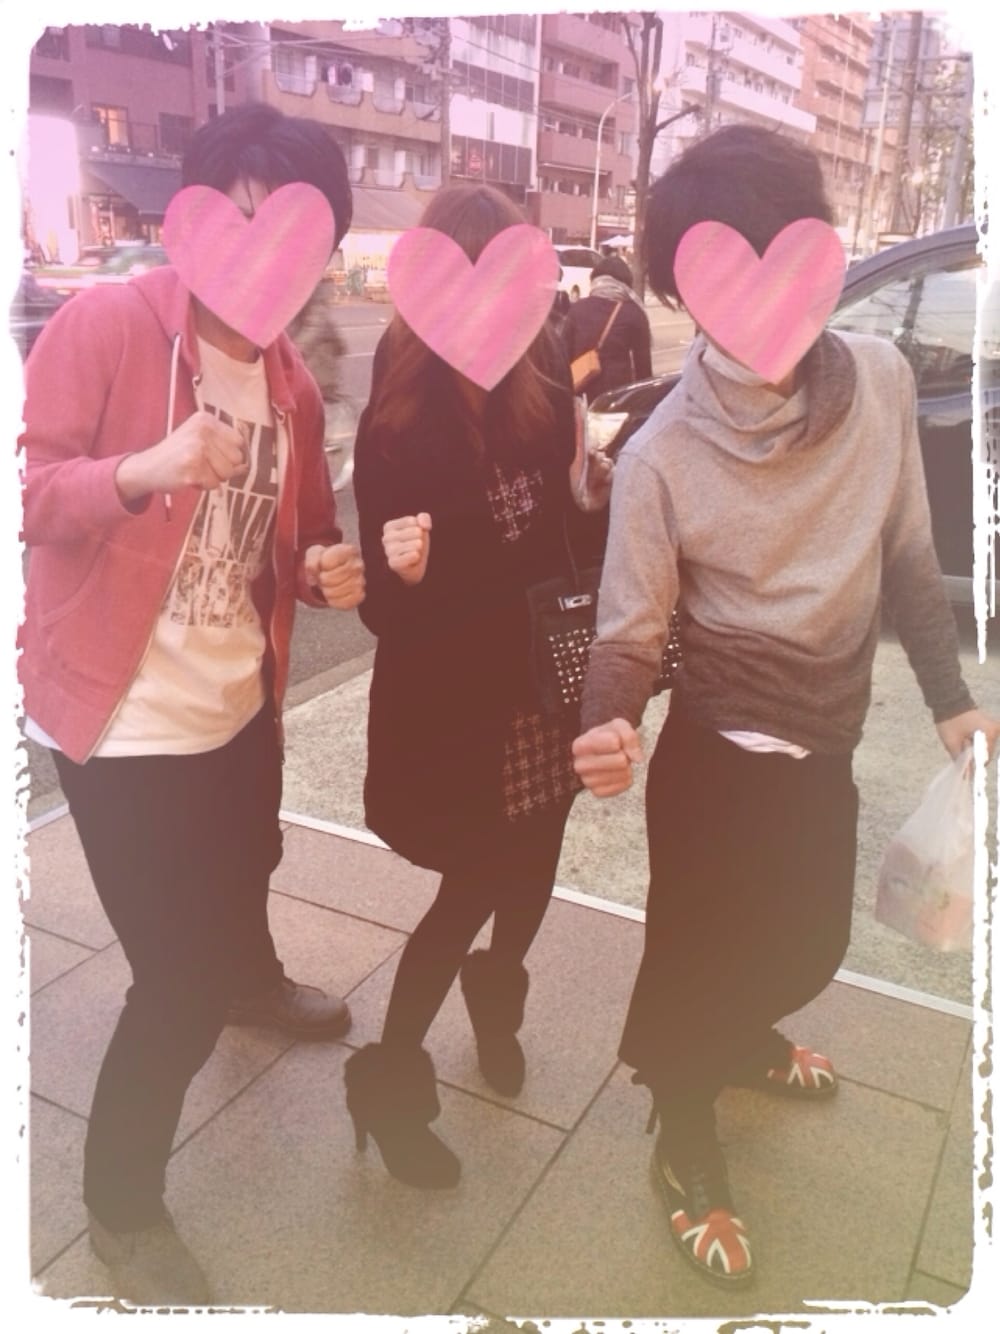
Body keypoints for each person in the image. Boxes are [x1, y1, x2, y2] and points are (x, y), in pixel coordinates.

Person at [571, 124, 998, 1287]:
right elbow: (628, 629)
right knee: (698, 955)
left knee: (808, 942)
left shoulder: (882, 380)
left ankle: (727, 1040)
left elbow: (906, 555)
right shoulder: (661, 452)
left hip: (827, 742)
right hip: (714, 763)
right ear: (689, 292)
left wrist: (951, 698)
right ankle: (683, 1132)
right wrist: (608, 720)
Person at [19, 103, 364, 1304]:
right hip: (118, 720)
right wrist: (143, 469)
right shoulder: (109, 323)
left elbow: (298, 537)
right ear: (193, 219)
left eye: (300, 240)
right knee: (175, 982)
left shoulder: (291, 385)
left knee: (246, 877)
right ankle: (122, 1212)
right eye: (246, 222)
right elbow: (31, 490)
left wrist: (327, 571)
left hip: (238, 703)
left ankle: (250, 984)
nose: (269, 262)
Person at [344, 184, 606, 1190]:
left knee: (532, 868)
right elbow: (381, 609)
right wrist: (403, 573)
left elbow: (565, 546)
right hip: (453, 705)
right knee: (472, 887)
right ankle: (389, 1080)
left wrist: (591, 498)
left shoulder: (546, 391)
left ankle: (498, 998)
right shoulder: (396, 419)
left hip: (540, 687)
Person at [561, 254, 653, 399]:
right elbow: (643, 368)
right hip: (616, 396)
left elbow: (563, 356)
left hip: (580, 391)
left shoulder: (577, 309)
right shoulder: (634, 313)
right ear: (626, 283)